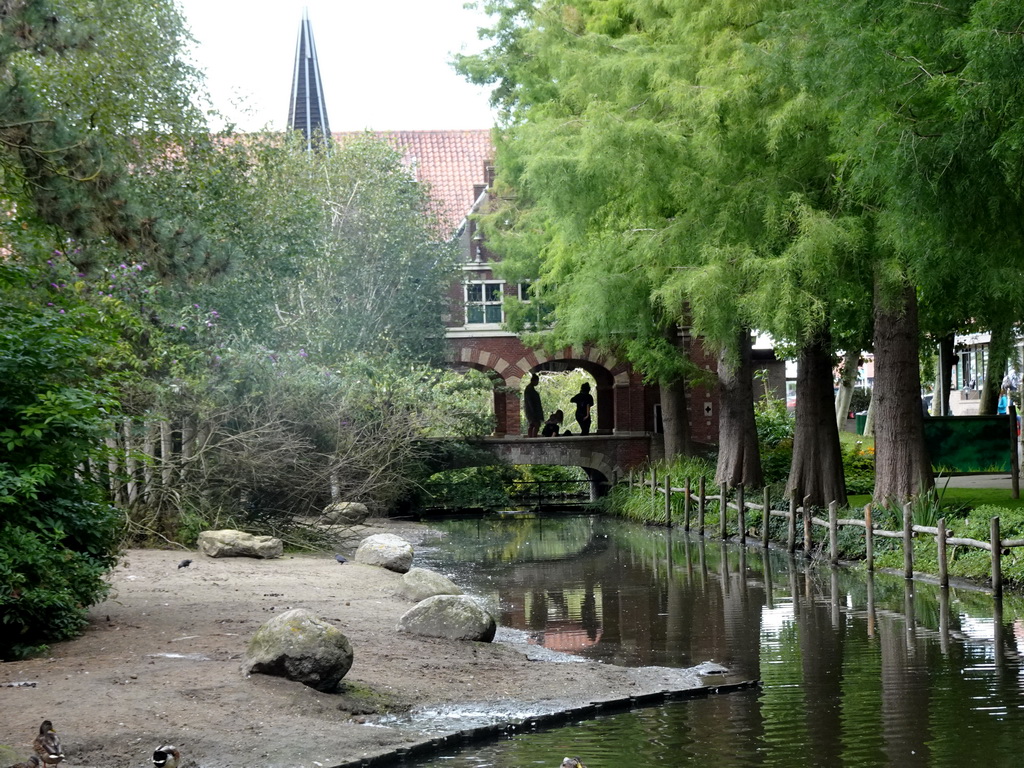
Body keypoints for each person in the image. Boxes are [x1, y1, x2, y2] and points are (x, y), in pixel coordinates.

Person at [523, 373, 543, 437]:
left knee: (533, 425)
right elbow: (529, 401)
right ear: (534, 381)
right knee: (535, 424)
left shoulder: (530, 389)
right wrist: (533, 412)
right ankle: (533, 437)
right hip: (532, 411)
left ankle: (532, 437)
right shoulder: (529, 389)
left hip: (533, 411)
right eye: (537, 381)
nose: (537, 383)